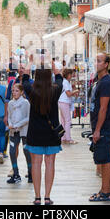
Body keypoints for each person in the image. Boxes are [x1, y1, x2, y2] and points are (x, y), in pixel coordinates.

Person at [23, 58, 63, 205]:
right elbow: (59, 78)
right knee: (50, 163)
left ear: (36, 76)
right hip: (51, 133)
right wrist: (52, 66)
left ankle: (37, 197)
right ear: (49, 75)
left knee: (36, 163)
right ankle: (47, 196)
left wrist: (30, 61)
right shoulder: (56, 90)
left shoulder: (31, 90)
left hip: (35, 132)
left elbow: (25, 77)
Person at [88, 53, 110, 202]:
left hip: (104, 128)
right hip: (100, 127)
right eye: (96, 61)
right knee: (102, 159)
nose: (96, 63)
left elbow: (103, 108)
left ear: (106, 64)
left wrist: (98, 130)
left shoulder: (106, 82)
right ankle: (103, 190)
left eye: (99, 61)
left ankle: (106, 192)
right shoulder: (100, 81)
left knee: (105, 160)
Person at [6, 83, 31, 184]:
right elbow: (9, 116)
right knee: (12, 151)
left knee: (26, 151)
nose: (14, 93)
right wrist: (11, 124)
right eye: (13, 91)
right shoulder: (11, 103)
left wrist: (18, 124)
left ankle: (31, 173)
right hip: (13, 131)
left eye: (16, 91)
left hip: (24, 130)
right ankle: (16, 174)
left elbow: (28, 117)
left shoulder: (25, 103)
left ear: (21, 92)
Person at [58, 68, 79, 145]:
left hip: (62, 102)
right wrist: (75, 91)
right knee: (67, 121)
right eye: (71, 74)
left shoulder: (66, 82)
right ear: (68, 75)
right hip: (64, 102)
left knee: (63, 121)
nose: (72, 76)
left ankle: (63, 137)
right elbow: (68, 94)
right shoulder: (66, 82)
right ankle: (68, 138)